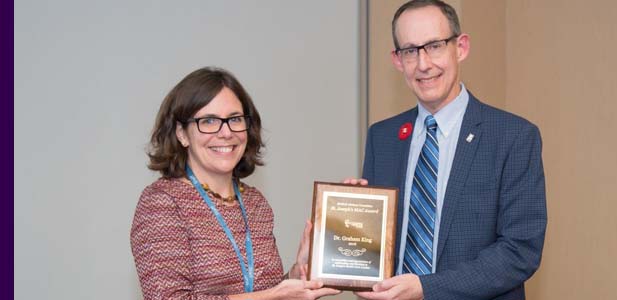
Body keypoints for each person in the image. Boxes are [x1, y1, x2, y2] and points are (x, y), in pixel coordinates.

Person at [349, 1, 547, 299]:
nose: (423, 63)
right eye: (411, 50)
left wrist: (426, 288)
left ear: (461, 47)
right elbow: (374, 249)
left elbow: (520, 251)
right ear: (398, 60)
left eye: (435, 46)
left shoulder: (513, 136)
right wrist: (350, 219)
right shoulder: (383, 137)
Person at [130, 67, 340, 300]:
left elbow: (260, 291)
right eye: (209, 121)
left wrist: (296, 273)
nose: (226, 132)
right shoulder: (161, 202)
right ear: (182, 133)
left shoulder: (254, 202)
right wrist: (272, 296)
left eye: (235, 119)